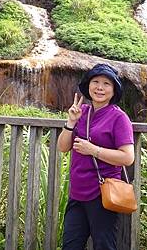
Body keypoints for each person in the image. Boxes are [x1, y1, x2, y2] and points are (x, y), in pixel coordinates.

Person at [57, 63, 135, 250]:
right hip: (77, 193)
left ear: (113, 89)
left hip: (102, 193)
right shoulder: (81, 112)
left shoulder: (119, 117)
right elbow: (63, 147)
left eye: (106, 83)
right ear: (88, 86)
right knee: (70, 245)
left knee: (104, 245)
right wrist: (70, 122)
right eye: (95, 82)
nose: (100, 87)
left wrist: (93, 150)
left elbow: (127, 157)